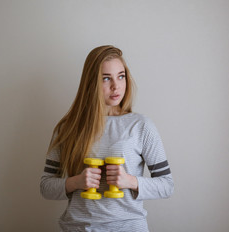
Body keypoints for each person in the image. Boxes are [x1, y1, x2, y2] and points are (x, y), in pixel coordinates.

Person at [40, 45, 174, 232]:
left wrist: (130, 181)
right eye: (106, 78)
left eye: (121, 76)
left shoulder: (141, 125)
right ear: (91, 82)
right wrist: (76, 182)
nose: (116, 86)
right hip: (79, 227)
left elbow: (166, 186)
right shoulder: (68, 128)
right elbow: (46, 187)